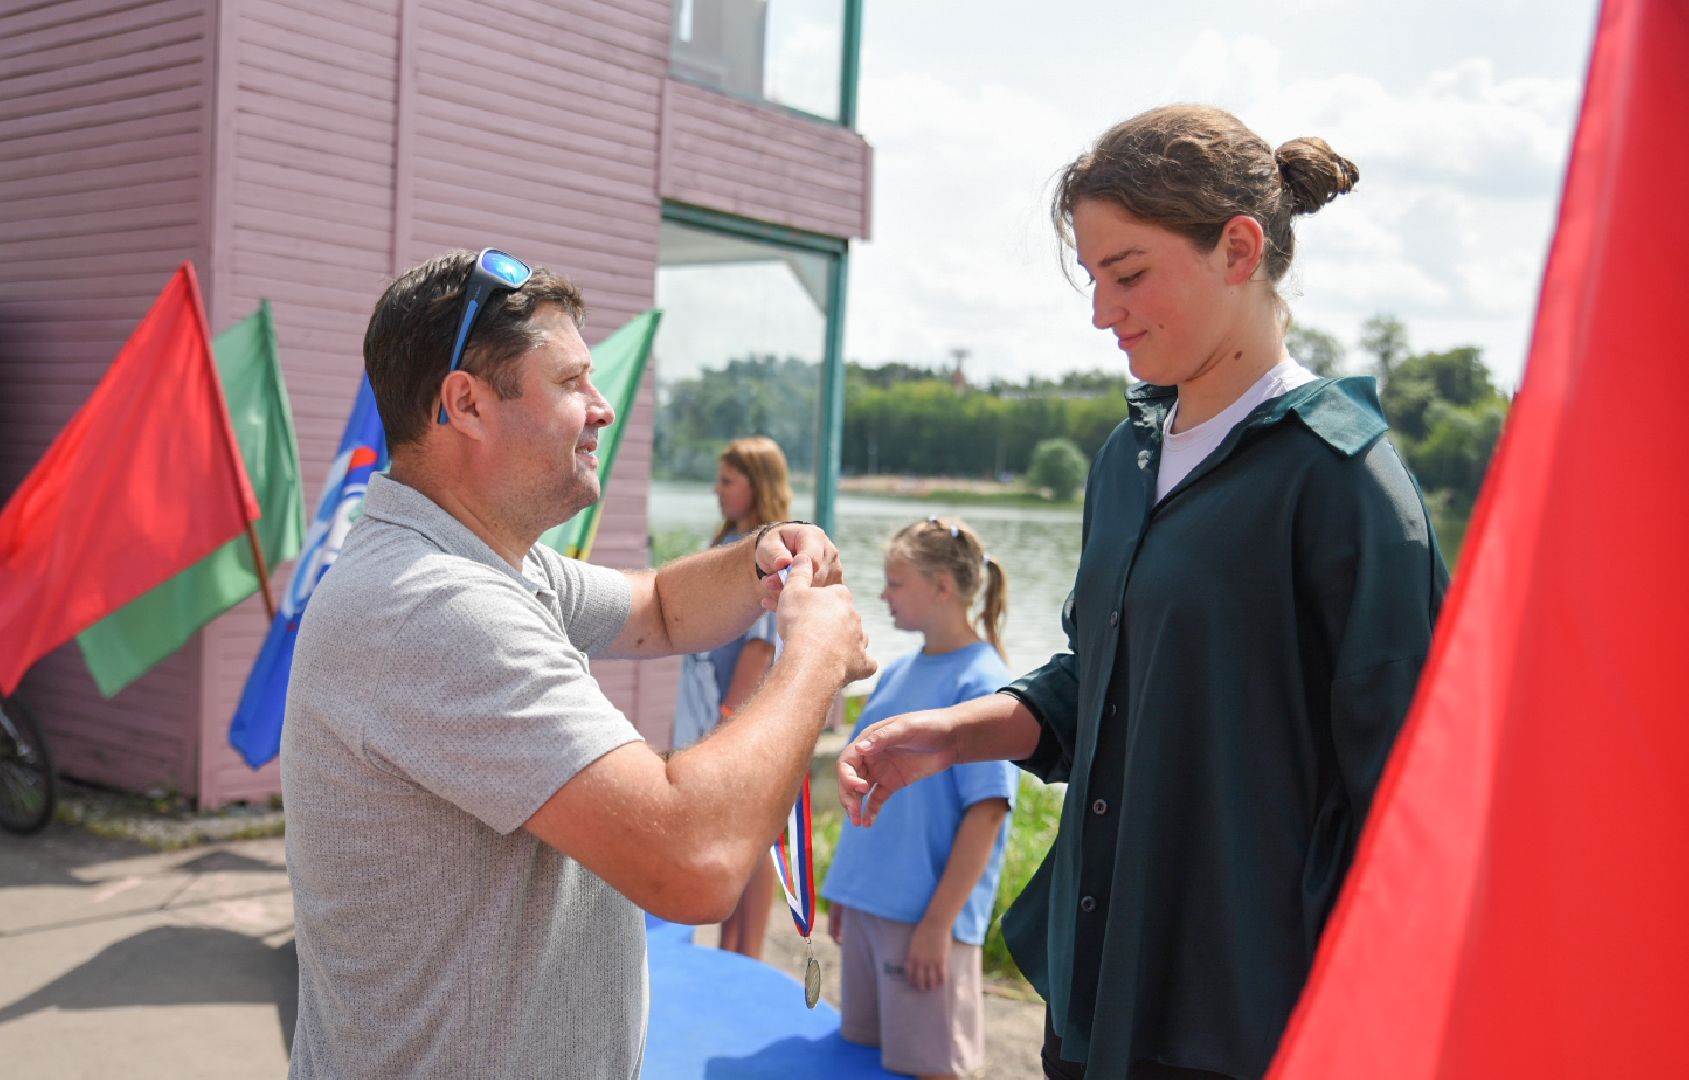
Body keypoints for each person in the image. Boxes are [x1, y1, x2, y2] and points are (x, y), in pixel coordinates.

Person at [837, 105, 1448, 1080]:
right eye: (1092, 279)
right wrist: (955, 734)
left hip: (1241, 1024)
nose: (1100, 310)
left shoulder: (1346, 481)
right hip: (1097, 994)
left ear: (1239, 249)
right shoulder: (1125, 459)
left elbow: (1412, 800)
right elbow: (1106, 686)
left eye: (1128, 274)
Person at [281, 249, 874, 1079]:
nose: (601, 409)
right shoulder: (438, 604)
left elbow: (661, 605)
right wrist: (811, 658)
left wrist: (759, 562)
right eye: (571, 383)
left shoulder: (490, 562)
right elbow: (691, 862)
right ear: (467, 405)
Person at [822, 516, 1017, 1080]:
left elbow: (987, 813)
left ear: (942, 588)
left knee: (927, 1069)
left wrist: (939, 925)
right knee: (859, 1061)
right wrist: (845, 893)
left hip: (922, 923)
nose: (882, 594)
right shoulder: (895, 674)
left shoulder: (981, 685)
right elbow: (871, 789)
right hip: (868, 908)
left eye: (896, 582)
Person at [670, 436, 791, 958]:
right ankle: (726, 942)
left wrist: (731, 719)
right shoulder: (730, 541)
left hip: (739, 713)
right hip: (707, 706)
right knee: (722, 829)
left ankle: (748, 950)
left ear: (756, 485)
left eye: (728, 481)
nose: (717, 492)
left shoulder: (768, 549)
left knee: (754, 834)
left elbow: (761, 644)